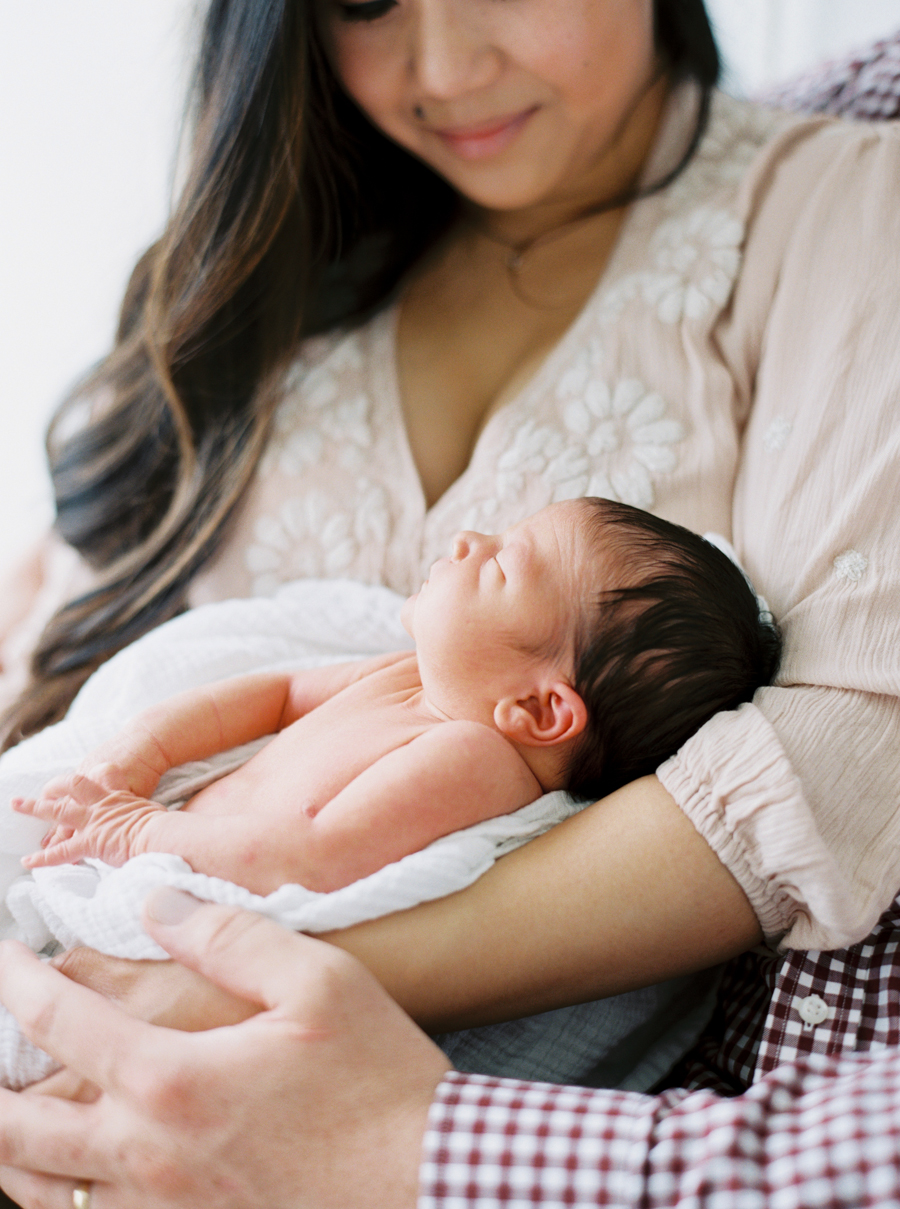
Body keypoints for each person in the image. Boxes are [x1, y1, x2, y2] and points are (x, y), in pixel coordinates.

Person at [0, 0, 898, 1205]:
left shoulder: (841, 210)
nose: (442, 70)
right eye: (366, 3)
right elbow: (59, 633)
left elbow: (836, 757)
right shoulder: (274, 281)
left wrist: (248, 985)